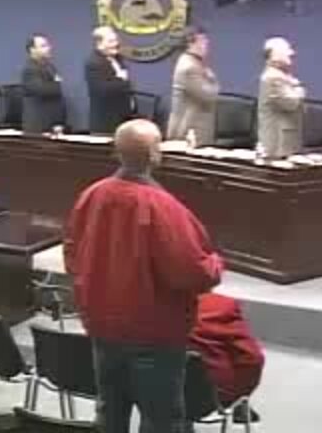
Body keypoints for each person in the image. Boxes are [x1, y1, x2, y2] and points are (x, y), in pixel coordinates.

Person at [64, 119, 223, 433]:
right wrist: (216, 263)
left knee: (110, 413)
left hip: (102, 327)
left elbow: (72, 255)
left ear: (116, 153)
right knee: (160, 419)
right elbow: (191, 273)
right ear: (154, 155)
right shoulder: (163, 206)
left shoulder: (92, 195)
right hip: (153, 334)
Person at [187, 293, 264, 420]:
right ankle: (240, 405)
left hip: (157, 394)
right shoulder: (221, 306)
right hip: (209, 400)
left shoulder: (156, 305)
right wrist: (242, 395)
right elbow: (253, 358)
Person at [167, 26, 220, 146]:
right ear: (190, 43)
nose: (207, 43)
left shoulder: (194, 63)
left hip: (195, 128)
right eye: (202, 40)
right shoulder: (190, 67)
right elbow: (209, 95)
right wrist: (213, 80)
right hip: (190, 129)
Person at [256, 37, 306, 158]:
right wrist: (299, 89)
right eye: (287, 50)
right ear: (275, 55)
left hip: (285, 140)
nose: (292, 53)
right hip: (277, 143)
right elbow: (291, 103)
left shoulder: (282, 76)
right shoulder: (273, 77)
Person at [85, 26, 133, 134]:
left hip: (122, 118)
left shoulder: (118, 59)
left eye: (116, 40)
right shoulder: (93, 63)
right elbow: (101, 90)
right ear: (99, 44)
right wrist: (121, 80)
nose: (116, 44)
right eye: (111, 41)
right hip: (106, 122)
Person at [21, 33, 67, 133]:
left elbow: (57, 93)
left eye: (48, 45)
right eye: (43, 46)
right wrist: (55, 84)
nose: (49, 48)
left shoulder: (50, 67)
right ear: (32, 50)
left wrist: (59, 122)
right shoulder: (29, 70)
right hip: (38, 125)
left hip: (53, 123)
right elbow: (43, 90)